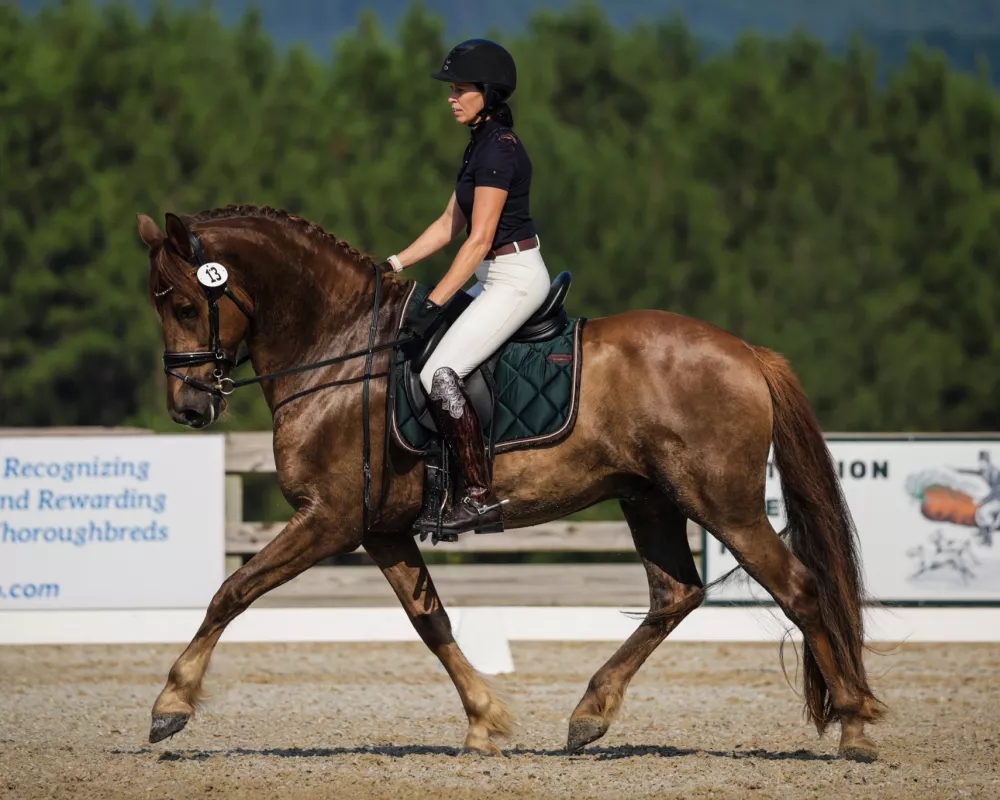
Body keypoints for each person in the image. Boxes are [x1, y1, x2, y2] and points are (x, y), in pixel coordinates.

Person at [382, 38, 551, 537]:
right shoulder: (479, 144)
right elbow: (446, 225)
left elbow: (478, 241)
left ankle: (478, 495)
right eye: (451, 90)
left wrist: (433, 303)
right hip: (491, 277)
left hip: (515, 278)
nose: (451, 98)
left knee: (440, 369)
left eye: (460, 90)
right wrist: (390, 263)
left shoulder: (499, 149)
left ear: (488, 93)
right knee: (423, 357)